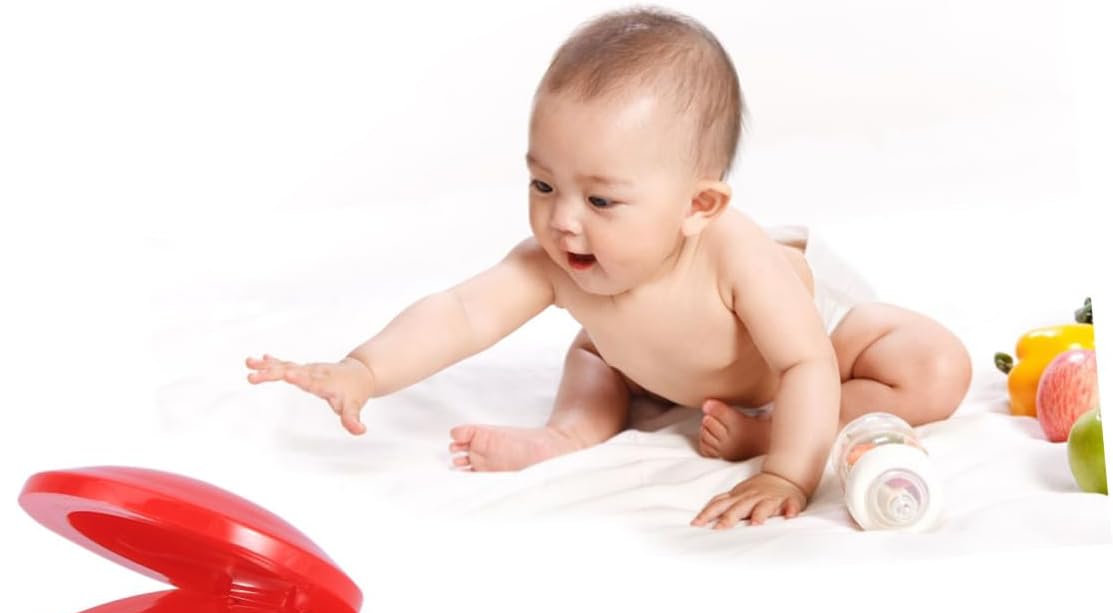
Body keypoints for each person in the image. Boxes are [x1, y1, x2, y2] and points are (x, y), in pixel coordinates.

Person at [246, 7, 972, 530]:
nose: (563, 220)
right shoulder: (559, 261)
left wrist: (785, 470)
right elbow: (461, 313)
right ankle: (566, 436)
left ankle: (766, 431)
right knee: (594, 354)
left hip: (812, 350)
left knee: (935, 367)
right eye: (542, 184)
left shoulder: (737, 254)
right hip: (652, 365)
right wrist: (364, 370)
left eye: (599, 199)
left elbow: (805, 362)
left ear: (698, 205)